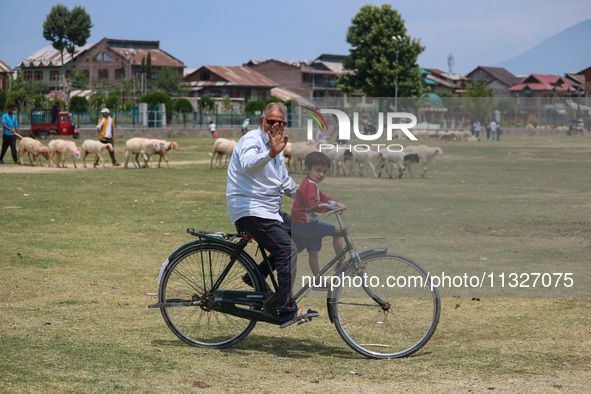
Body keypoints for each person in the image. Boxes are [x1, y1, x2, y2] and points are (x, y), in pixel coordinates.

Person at [227, 102, 318, 328]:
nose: (275, 126)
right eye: (270, 121)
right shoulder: (252, 140)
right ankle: (287, 310)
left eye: (280, 122)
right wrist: (271, 152)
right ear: (261, 121)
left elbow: (284, 182)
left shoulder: (277, 147)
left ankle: (255, 275)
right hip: (250, 209)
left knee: (307, 233)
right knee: (287, 250)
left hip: (269, 210)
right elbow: (248, 165)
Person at [291, 152, 346, 289]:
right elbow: (313, 205)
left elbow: (324, 197)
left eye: (324, 172)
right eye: (318, 170)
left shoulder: (310, 183)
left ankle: (317, 280)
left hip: (301, 224)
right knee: (337, 232)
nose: (321, 174)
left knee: (313, 252)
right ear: (307, 169)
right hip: (305, 224)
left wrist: (337, 203)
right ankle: (343, 263)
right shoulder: (310, 185)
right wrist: (332, 208)